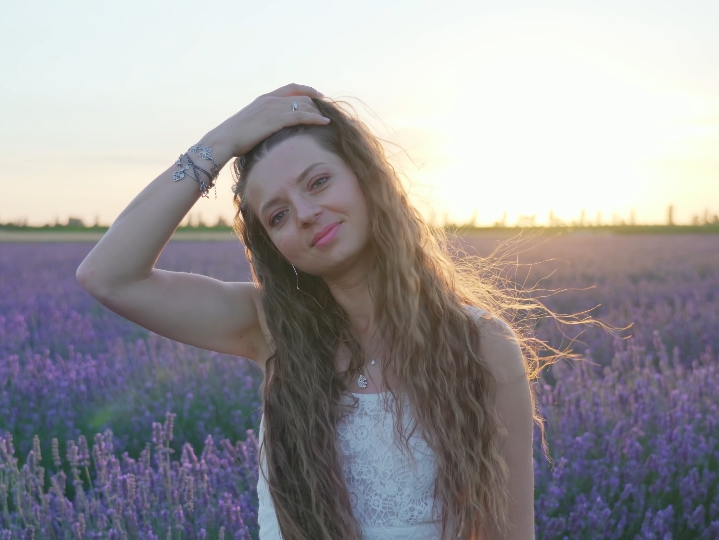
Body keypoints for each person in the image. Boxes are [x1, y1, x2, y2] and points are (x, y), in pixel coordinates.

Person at [76, 83, 541, 540]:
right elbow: (108, 275)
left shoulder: (480, 344)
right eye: (277, 215)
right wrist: (219, 142)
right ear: (274, 248)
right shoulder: (271, 328)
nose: (303, 213)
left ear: (367, 177)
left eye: (318, 182)